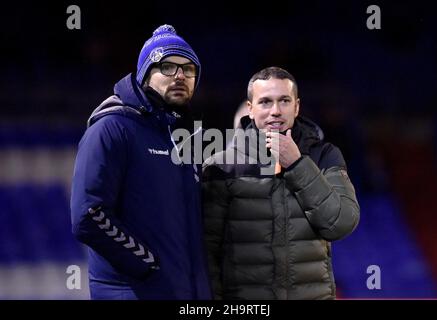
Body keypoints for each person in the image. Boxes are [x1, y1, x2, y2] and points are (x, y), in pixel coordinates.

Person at [70, 24, 211, 300]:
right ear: (145, 74)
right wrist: (148, 265)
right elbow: (88, 214)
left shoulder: (186, 138)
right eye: (168, 66)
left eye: (189, 69)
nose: (181, 75)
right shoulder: (112, 128)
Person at [202, 67, 360, 300]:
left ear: (297, 106)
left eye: (284, 101)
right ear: (250, 109)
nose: (275, 111)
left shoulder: (324, 155)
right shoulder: (221, 166)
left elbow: (341, 224)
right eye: (265, 102)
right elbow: (208, 254)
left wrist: (297, 164)